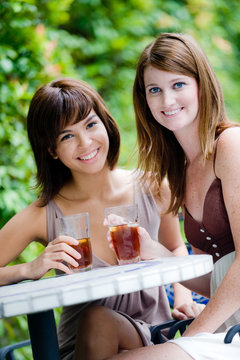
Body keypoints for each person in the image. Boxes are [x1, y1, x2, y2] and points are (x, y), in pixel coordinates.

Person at [0, 78, 202, 360]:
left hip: (153, 336)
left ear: (106, 124)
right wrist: (30, 269)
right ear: (51, 150)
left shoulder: (153, 187)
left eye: (91, 124)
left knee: (100, 319)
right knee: (96, 319)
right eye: (66, 136)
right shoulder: (43, 213)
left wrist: (183, 297)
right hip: (80, 348)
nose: (85, 143)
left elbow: (176, 247)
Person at [106, 33, 240, 360]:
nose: (166, 101)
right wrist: (155, 252)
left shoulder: (230, 145)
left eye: (178, 84)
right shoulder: (181, 168)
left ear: (201, 85)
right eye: (155, 90)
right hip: (226, 324)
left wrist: (193, 336)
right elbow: (217, 279)